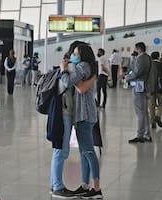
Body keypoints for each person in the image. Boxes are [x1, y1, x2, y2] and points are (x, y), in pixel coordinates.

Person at [50, 41, 97, 199]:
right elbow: (67, 83)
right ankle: (57, 187)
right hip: (65, 112)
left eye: (76, 54)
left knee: (62, 150)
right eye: (74, 54)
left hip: (67, 112)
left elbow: (80, 87)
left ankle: (58, 185)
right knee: (62, 151)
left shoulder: (76, 67)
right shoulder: (71, 68)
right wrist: (64, 70)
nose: (74, 56)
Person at [60, 44, 103, 199]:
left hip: (84, 114)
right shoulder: (87, 66)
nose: (73, 55)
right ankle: (85, 185)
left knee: (88, 152)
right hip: (84, 114)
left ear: (83, 55)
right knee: (83, 152)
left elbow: (66, 82)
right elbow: (79, 86)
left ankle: (96, 188)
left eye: (76, 53)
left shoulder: (83, 66)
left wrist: (63, 69)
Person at [126, 42, 152, 143]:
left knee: (140, 112)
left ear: (139, 49)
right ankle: (147, 134)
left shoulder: (141, 58)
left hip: (139, 86)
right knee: (144, 112)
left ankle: (140, 135)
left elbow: (136, 72)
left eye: (136, 49)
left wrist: (127, 77)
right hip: (144, 86)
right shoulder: (148, 57)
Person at [148, 51, 162, 128]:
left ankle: (152, 121)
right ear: (158, 56)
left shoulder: (149, 65)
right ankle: (158, 116)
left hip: (151, 88)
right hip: (161, 87)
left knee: (151, 105)